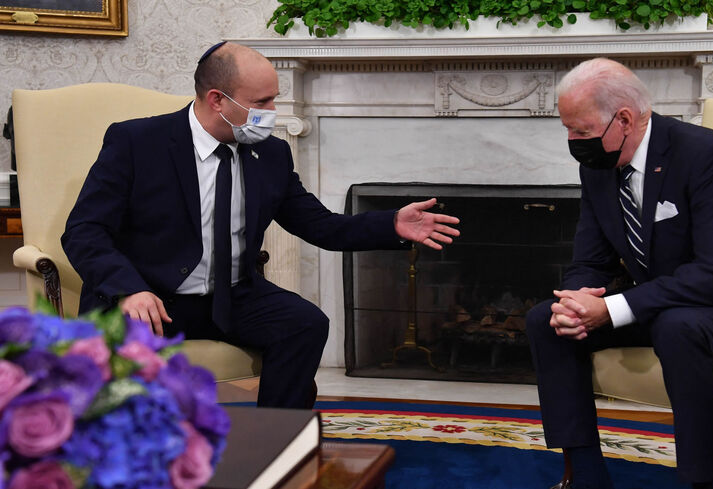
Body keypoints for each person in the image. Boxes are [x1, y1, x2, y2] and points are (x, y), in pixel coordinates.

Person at [62, 41, 460, 410]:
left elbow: (321, 226)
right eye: (262, 102)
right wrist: (130, 290)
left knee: (304, 324)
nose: (271, 112)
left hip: (231, 296)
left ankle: (277, 441)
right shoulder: (137, 142)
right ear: (217, 100)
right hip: (148, 296)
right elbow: (84, 230)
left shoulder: (270, 154)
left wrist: (391, 223)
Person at [525, 58, 713, 489]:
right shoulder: (597, 168)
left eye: (581, 131)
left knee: (678, 326)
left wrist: (610, 308)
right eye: (567, 129)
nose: (573, 141)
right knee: (546, 320)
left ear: (624, 119)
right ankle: (586, 476)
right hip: (671, 306)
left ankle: (702, 483)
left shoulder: (704, 153)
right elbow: (591, 260)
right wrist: (575, 301)